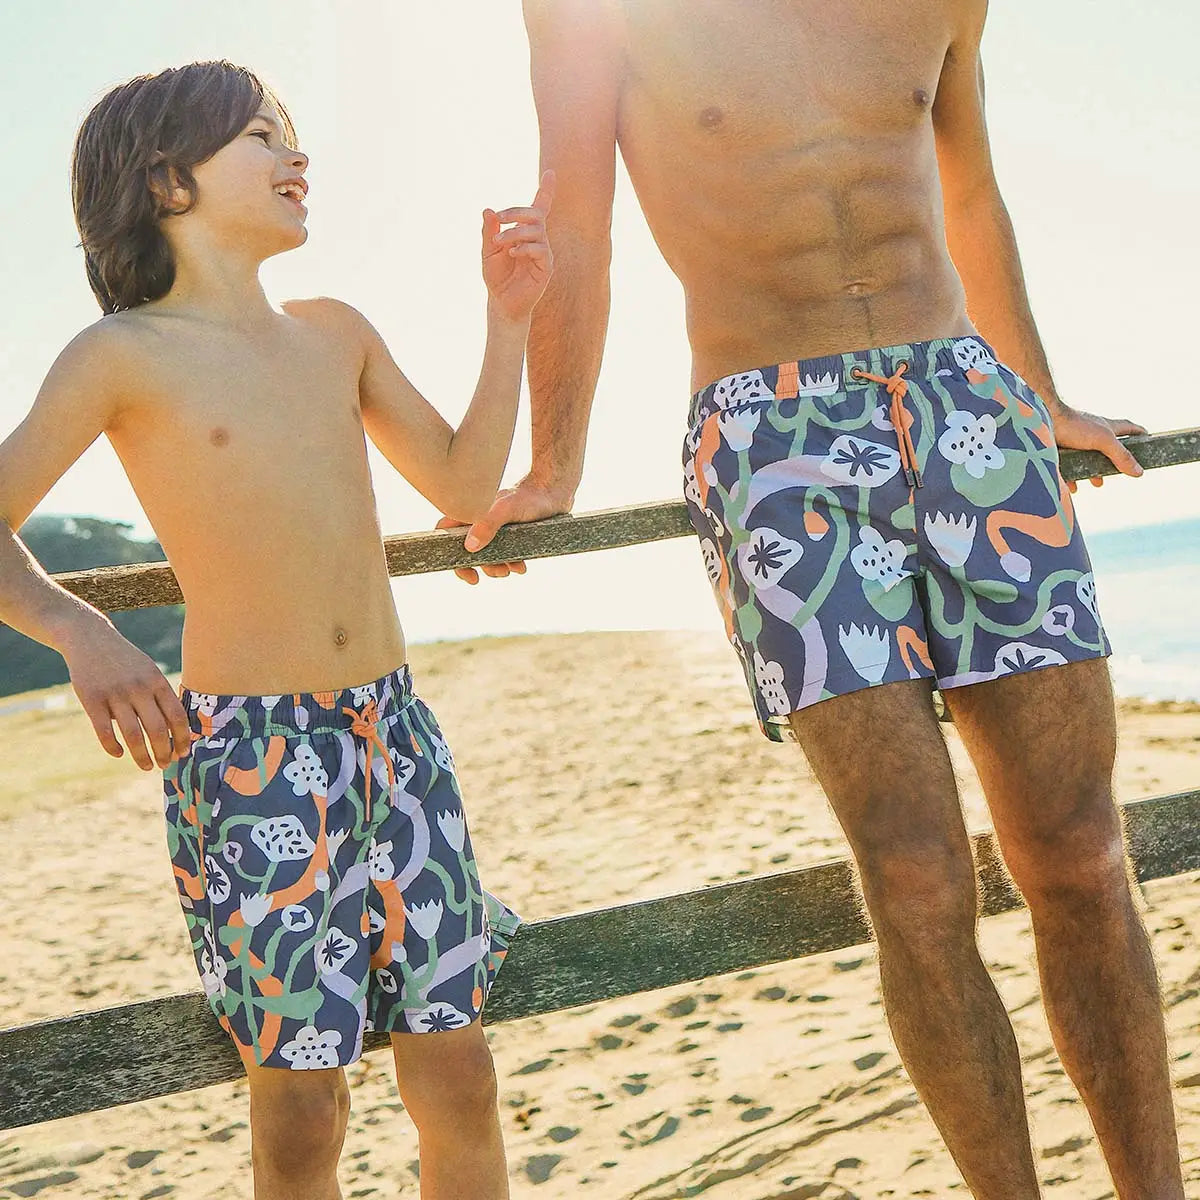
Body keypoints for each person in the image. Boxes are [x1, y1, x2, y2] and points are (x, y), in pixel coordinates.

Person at [456, 2, 1184, 1195]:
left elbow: (973, 196)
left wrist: (1038, 394)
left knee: (1080, 850)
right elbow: (574, 217)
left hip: (967, 410)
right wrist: (554, 465)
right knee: (914, 876)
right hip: (772, 437)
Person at [0, 60, 554, 1200]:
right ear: (168, 182)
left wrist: (509, 326)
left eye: (291, 135)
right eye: (262, 137)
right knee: (305, 1107)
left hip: (395, 739)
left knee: (459, 1075)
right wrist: (81, 630)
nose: (297, 158)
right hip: (254, 766)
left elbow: (460, 481)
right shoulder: (121, 355)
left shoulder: (333, 333)